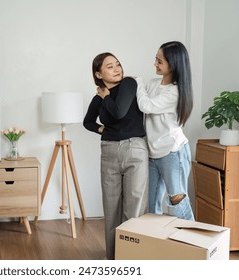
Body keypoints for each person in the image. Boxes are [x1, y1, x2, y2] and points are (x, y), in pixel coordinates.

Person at [83, 52, 148, 260]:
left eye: (118, 64)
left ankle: (133, 259)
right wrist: (102, 130)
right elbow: (88, 122)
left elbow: (119, 111)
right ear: (98, 73)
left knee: (134, 209)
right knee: (111, 210)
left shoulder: (129, 84)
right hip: (109, 151)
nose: (117, 68)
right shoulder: (99, 98)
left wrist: (106, 96)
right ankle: (113, 260)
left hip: (134, 148)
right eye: (110, 66)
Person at [135, 41, 194, 221]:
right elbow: (140, 100)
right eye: (156, 59)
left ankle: (194, 242)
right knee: (151, 205)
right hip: (153, 153)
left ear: (173, 64)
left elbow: (146, 105)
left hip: (172, 153)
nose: (155, 64)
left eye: (159, 61)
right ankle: (157, 244)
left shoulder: (175, 92)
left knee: (177, 201)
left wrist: (137, 83)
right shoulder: (153, 84)